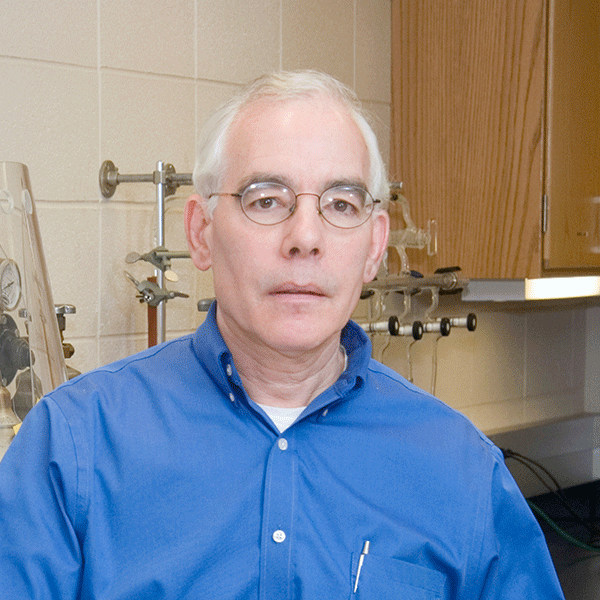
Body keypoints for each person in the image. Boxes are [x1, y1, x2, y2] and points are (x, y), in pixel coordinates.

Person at [0, 70, 564, 599]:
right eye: (266, 200)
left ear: (373, 246)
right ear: (201, 233)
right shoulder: (72, 448)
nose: (305, 237)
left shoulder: (460, 470)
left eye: (341, 204)